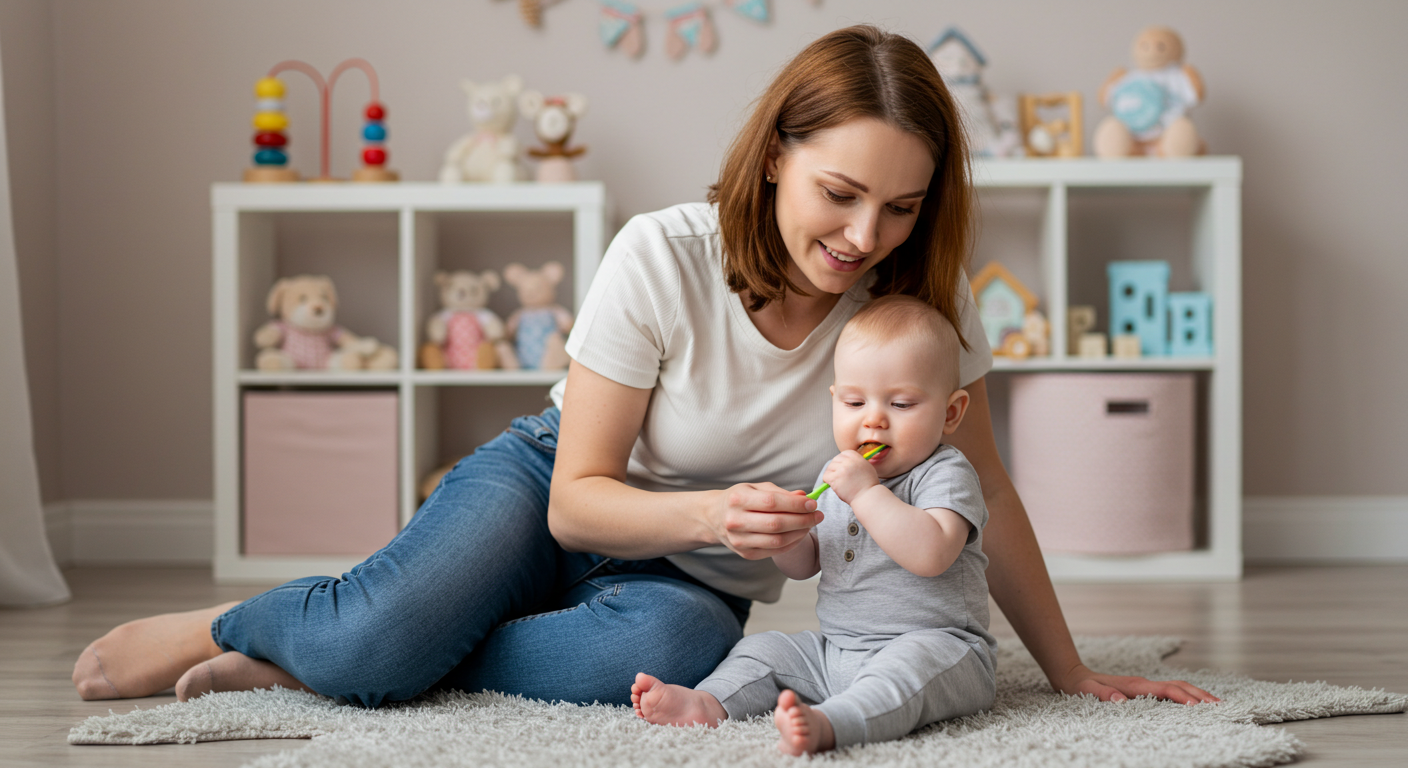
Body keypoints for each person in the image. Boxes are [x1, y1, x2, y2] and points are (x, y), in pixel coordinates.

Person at [72, 25, 1218, 711]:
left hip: (685, 580)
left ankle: (367, 655)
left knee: (673, 647)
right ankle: (257, 624)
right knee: (374, 635)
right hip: (555, 488)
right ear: (777, 158)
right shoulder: (664, 253)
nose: (866, 235)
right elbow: (577, 497)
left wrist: (1067, 674)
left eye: (900, 208)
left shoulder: (917, 311)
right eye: (840, 193)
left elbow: (992, 497)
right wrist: (720, 510)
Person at [632, 295, 996, 755]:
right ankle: (709, 703)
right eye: (854, 400)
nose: (874, 418)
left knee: (903, 674)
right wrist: (788, 533)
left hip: (941, 649)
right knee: (764, 650)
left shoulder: (946, 472)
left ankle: (834, 723)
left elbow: (931, 554)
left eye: (901, 404)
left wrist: (865, 494)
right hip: (837, 652)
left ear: (950, 412)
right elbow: (805, 566)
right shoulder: (837, 473)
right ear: (835, 400)